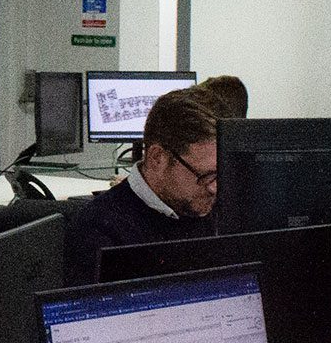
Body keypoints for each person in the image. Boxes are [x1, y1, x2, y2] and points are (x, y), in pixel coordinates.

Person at [64, 88, 218, 284]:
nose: (214, 188)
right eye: (205, 176)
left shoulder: (214, 211)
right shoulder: (98, 230)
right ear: (158, 158)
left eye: (219, 173)